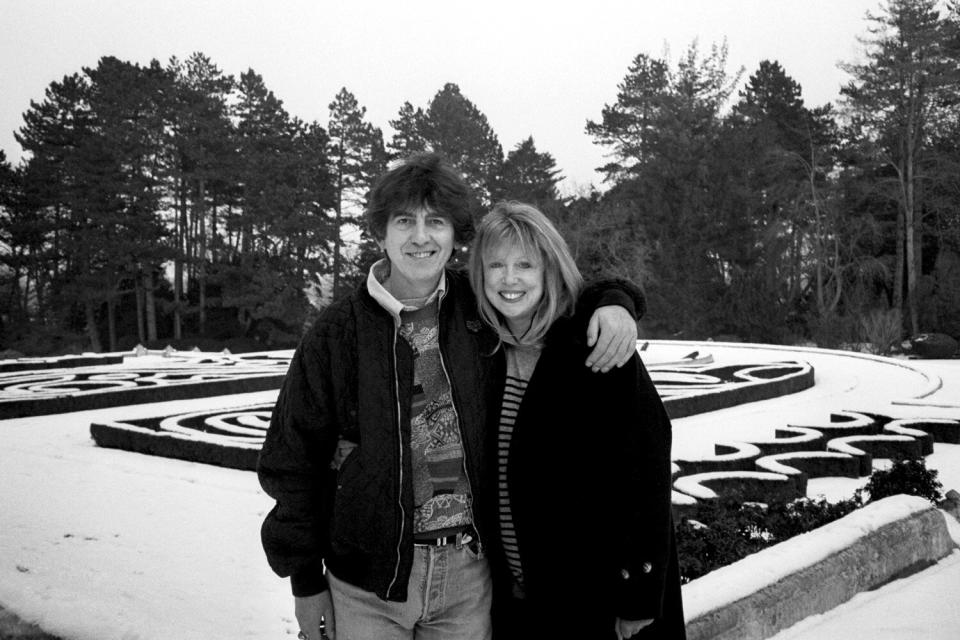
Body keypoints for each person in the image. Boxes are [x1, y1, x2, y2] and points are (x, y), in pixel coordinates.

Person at [257, 153, 642, 640]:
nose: (421, 237)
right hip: (367, 586)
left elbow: (549, 287)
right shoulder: (335, 335)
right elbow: (292, 462)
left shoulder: (479, 306)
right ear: (381, 234)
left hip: (468, 578)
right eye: (405, 221)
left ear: (455, 235)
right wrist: (305, 581)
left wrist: (615, 301)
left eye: (435, 222)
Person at [468, 202, 685, 640]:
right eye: (497, 265)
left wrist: (639, 596)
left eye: (525, 265)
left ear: (550, 269)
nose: (510, 279)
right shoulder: (482, 348)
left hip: (595, 603)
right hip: (513, 604)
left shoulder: (594, 344)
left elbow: (646, 470)